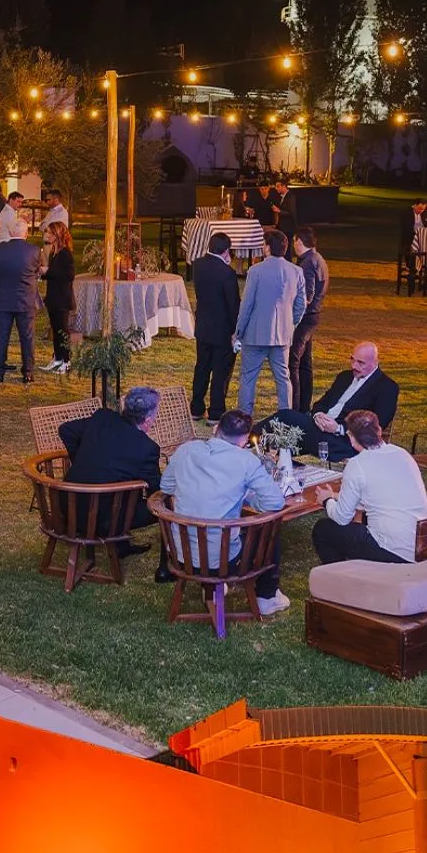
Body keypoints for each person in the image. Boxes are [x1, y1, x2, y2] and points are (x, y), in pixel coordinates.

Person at [161, 409, 288, 612]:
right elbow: (275, 503)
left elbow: (166, 487)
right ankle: (266, 596)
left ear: (216, 428)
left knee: (220, 531)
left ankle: (211, 587)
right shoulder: (246, 461)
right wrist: (249, 499)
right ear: (245, 439)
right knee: (269, 533)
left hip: (180, 554)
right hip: (221, 561)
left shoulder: (186, 450)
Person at [311, 410, 427, 565]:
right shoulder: (402, 454)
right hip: (423, 542)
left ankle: (340, 578)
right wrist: (336, 496)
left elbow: (342, 518)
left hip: (394, 549)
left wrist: (326, 500)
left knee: (323, 530)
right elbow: (378, 495)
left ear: (351, 438)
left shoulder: (357, 465)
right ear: (379, 430)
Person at [254, 342, 399, 461]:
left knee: (286, 417)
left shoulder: (386, 387)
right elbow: (322, 403)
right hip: (318, 428)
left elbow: (377, 425)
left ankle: (243, 440)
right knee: (285, 434)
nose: (354, 366)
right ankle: (256, 451)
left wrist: (338, 428)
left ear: (375, 363)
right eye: (352, 359)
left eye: (361, 363)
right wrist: (318, 415)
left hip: (346, 441)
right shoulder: (345, 377)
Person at [60, 387, 161, 548]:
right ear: (148, 420)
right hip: (102, 521)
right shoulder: (146, 448)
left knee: (125, 492)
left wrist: (80, 458)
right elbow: (155, 495)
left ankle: (122, 546)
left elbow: (66, 430)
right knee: (161, 507)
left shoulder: (103, 417)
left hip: (68, 506)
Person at [234, 230, 306, 415]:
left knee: (248, 378)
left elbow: (247, 304)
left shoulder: (256, 271)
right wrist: (291, 323)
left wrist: (239, 330)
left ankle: (244, 417)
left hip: (255, 333)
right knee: (283, 378)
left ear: (267, 248)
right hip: (282, 334)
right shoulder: (296, 271)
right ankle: (287, 417)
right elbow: (300, 305)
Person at [189, 230, 240, 425]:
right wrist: (237, 330)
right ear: (226, 250)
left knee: (202, 366)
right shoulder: (227, 273)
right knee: (220, 371)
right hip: (222, 330)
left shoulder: (198, 265)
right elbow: (232, 304)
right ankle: (216, 411)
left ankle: (196, 407)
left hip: (203, 326)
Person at [0, 218, 41, 383]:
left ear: (10, 232)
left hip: (2, 300)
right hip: (26, 300)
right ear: (26, 233)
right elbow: (36, 272)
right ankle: (28, 372)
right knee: (27, 337)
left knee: (1, 337)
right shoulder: (34, 251)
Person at [289, 226, 328, 412]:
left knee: (293, 362)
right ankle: (303, 406)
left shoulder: (307, 263)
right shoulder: (317, 258)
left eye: (293, 241)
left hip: (305, 317)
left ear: (299, 241)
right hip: (313, 316)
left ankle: (296, 408)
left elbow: (307, 294)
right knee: (305, 364)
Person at [41, 221, 75, 373]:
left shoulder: (65, 253)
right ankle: (57, 358)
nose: (47, 235)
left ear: (57, 235)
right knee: (55, 329)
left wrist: (47, 272)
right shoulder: (55, 252)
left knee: (62, 330)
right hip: (53, 297)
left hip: (62, 297)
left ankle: (66, 360)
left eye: (50, 232)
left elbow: (69, 275)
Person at [399, 199, 427, 295]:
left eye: (423, 210)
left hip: (421, 243)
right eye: (419, 208)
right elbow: (407, 230)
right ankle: (411, 282)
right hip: (409, 243)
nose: (421, 211)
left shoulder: (423, 216)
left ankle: (423, 281)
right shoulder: (407, 214)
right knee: (413, 256)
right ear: (415, 205)